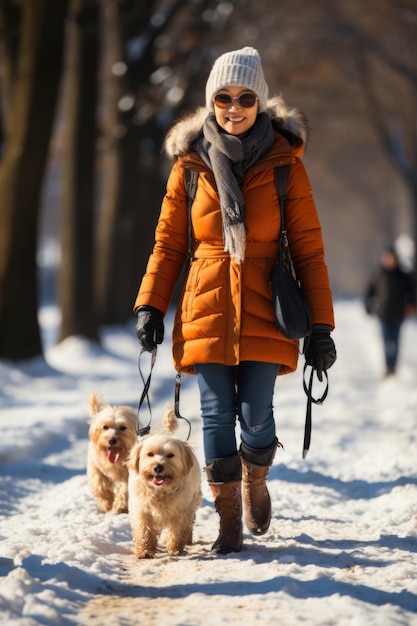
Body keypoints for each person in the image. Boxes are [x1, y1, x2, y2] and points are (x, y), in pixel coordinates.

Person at [134, 47, 336, 555]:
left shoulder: (286, 164)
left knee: (258, 414)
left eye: (246, 97)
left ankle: (255, 479)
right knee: (218, 413)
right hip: (207, 305)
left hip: (269, 305)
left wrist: (321, 328)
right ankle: (228, 521)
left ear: (260, 102)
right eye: (223, 97)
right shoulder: (189, 167)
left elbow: (309, 248)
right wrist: (150, 306)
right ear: (211, 102)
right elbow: (169, 244)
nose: (233, 106)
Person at [365, 245, 416, 377]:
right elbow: (369, 292)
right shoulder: (378, 274)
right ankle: (388, 367)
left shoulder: (403, 275)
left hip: (399, 314)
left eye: (392, 258)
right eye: (387, 258)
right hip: (383, 314)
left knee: (395, 341)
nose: (390, 260)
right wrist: (368, 306)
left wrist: (412, 304)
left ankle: (393, 367)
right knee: (387, 342)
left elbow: (412, 292)